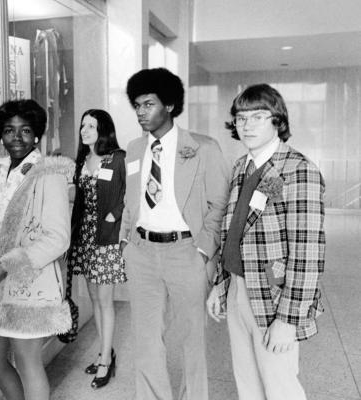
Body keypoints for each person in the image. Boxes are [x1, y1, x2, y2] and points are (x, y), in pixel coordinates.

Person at [207, 84, 325, 400]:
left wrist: (288, 320)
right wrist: (221, 286)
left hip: (273, 297)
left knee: (280, 386)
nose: (248, 125)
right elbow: (231, 232)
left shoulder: (298, 170)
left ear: (277, 120)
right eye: (241, 117)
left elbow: (307, 254)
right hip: (237, 288)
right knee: (247, 383)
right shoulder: (242, 167)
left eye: (259, 116)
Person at [120, 68, 229, 400]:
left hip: (186, 251)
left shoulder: (203, 148)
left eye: (148, 104)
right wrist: (126, 241)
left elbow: (219, 203)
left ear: (169, 104)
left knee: (192, 339)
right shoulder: (135, 148)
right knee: (146, 339)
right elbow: (131, 198)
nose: (141, 112)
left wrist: (203, 250)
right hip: (142, 252)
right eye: (137, 105)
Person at [0, 99, 73, 400]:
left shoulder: (47, 174)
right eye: (10, 130)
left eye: (25, 130)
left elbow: (58, 238)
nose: (17, 137)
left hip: (29, 282)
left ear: (37, 135)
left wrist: (7, 266)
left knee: (27, 362)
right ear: (0, 136)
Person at [68, 109, 127, 389]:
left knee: (105, 301)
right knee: (93, 298)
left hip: (106, 238)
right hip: (85, 237)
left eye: (91, 126)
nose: (85, 130)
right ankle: (106, 352)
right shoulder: (81, 160)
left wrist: (116, 215)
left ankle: (105, 361)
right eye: (83, 126)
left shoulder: (117, 158)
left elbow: (130, 191)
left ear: (104, 129)